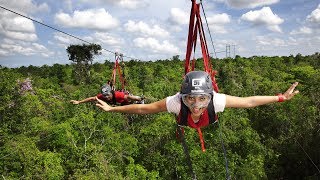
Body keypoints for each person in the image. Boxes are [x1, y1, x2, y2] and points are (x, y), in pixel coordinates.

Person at [95, 71, 299, 127]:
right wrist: (112, 109)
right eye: (190, 99)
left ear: (209, 96)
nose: (196, 105)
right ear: (182, 97)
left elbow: (248, 102)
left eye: (202, 99)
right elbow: (143, 109)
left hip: (206, 121)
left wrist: (281, 97)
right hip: (193, 121)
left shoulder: (216, 101)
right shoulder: (176, 102)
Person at [70, 84, 143, 106]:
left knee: (130, 101)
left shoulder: (118, 95)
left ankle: (139, 101)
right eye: (104, 95)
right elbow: (92, 99)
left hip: (127, 101)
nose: (106, 97)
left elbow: (129, 97)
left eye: (107, 95)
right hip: (120, 104)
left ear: (111, 92)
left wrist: (139, 99)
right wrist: (79, 102)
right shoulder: (102, 96)